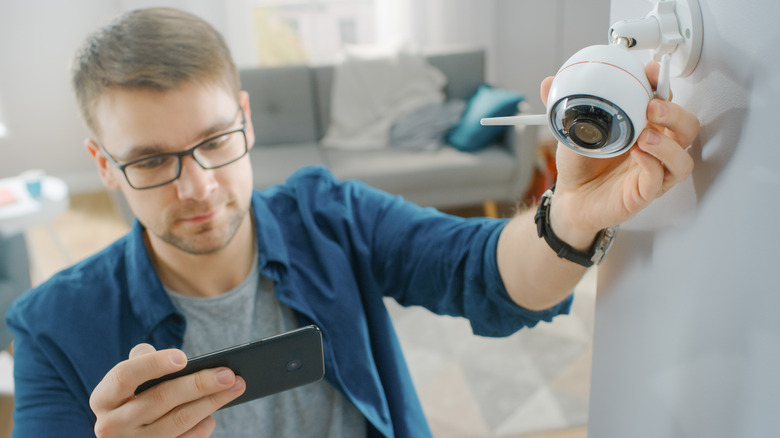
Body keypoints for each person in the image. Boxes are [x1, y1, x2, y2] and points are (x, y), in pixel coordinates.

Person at [6, 7, 699, 438]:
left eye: (215, 141)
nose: (200, 185)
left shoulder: (327, 216)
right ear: (102, 164)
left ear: (246, 119)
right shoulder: (51, 330)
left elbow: (487, 274)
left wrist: (571, 215)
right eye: (153, 160)